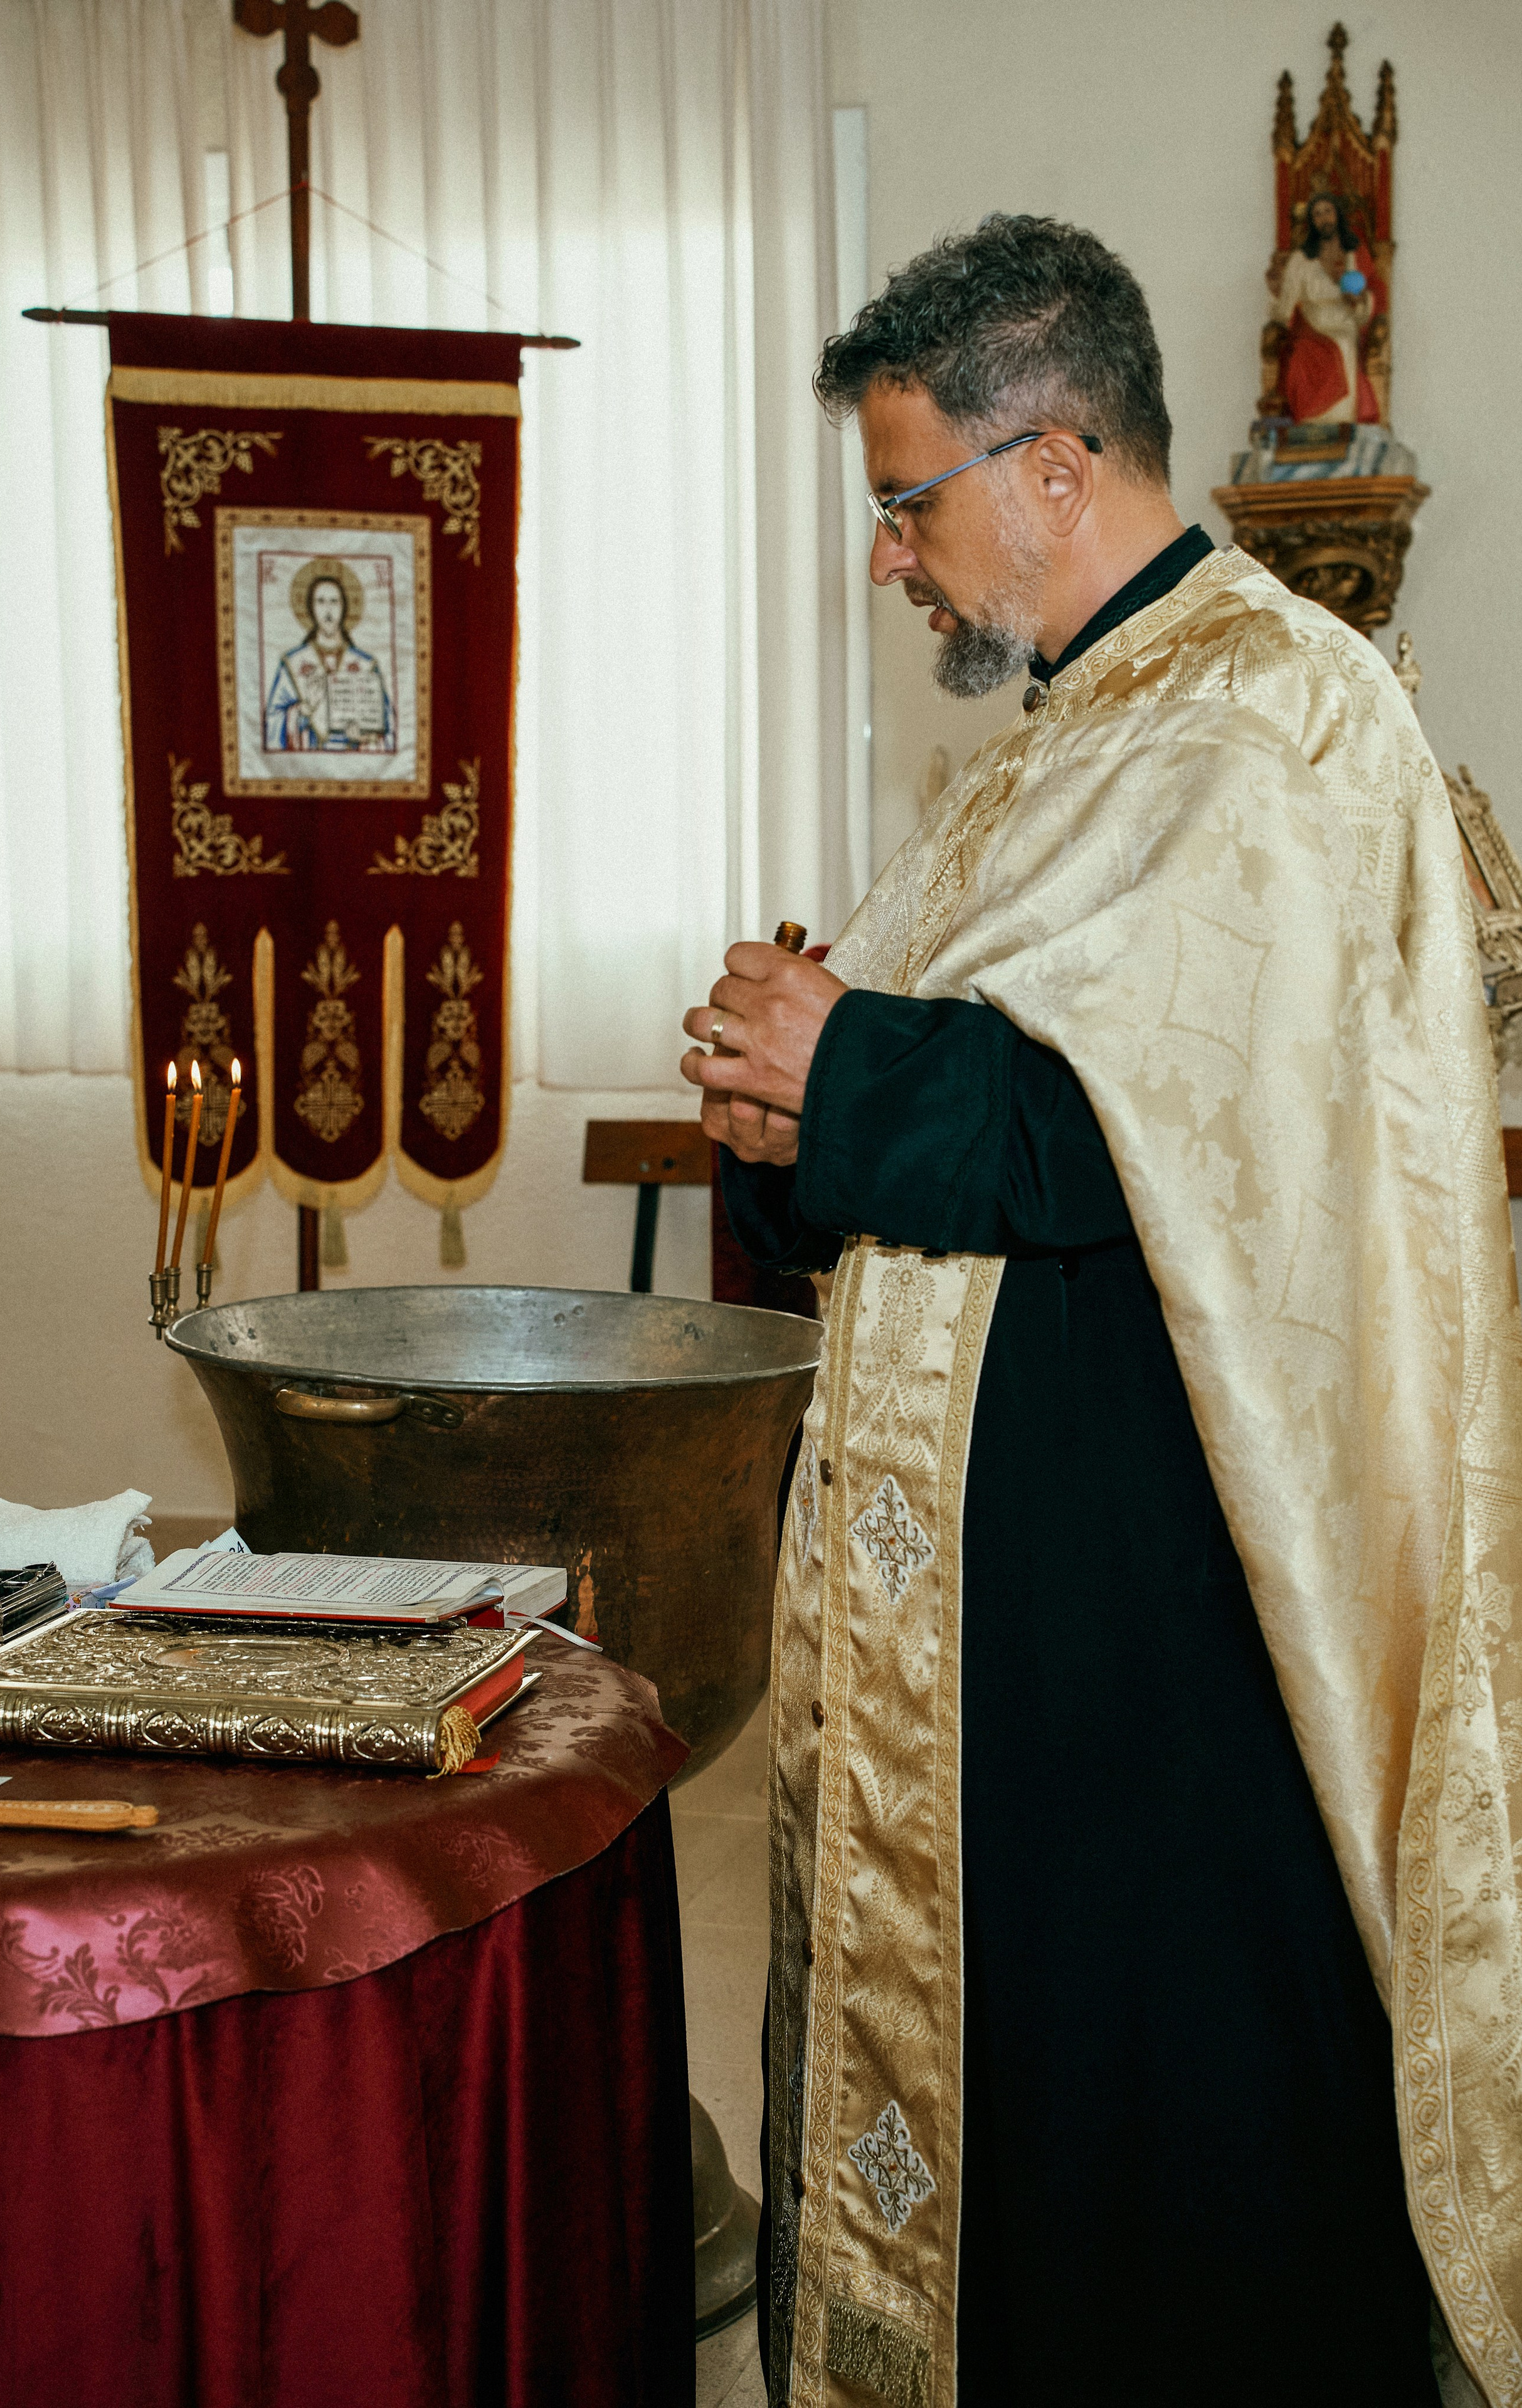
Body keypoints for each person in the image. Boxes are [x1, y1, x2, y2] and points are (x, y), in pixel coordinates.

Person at [681, 213, 1522, 2408]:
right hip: (1013, 1661)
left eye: (905, 499)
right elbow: (983, 1102)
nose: (889, 559)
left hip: (1169, 1643)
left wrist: (845, 1067)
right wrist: (788, 1098)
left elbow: (1177, 1132)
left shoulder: (1286, 719)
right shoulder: (1061, 747)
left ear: (1050, 462)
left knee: (1171, 2170)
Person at [1267, 191, 1386, 424]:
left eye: (1328, 212)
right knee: (1302, 354)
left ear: (1337, 215)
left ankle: (1343, 426)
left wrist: (1359, 301)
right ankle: (1311, 430)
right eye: (1317, 214)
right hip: (1313, 327)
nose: (1324, 219)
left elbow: (1371, 302)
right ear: (1312, 221)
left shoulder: (1355, 254)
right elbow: (1285, 309)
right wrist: (1276, 293)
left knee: (1344, 344)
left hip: (1346, 325)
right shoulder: (1301, 260)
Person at [265, 566, 392, 752]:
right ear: (311, 608)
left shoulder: (367, 665)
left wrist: (366, 738)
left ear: (344, 607)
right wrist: (301, 713)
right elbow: (272, 723)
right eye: (321, 602)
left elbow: (389, 729)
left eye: (334, 602)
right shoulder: (292, 663)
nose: (328, 610)